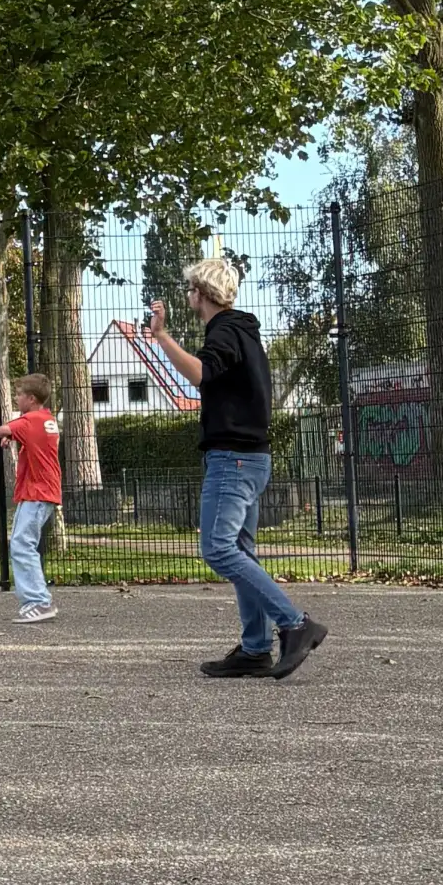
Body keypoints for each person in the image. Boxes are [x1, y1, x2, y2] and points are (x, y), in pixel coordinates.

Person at [149, 255, 329, 679]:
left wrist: (162, 337)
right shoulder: (243, 332)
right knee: (241, 551)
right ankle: (253, 648)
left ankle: (295, 623)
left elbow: (200, 374)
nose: (188, 295)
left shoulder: (226, 329)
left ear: (203, 293)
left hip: (232, 459)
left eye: (192, 288)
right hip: (251, 458)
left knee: (218, 548)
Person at [0, 374, 62, 623]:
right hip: (42, 492)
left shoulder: (31, 419)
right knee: (23, 543)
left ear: (31, 398)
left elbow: (6, 427)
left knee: (21, 544)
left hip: (37, 494)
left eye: (18, 395)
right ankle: (38, 600)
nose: (16, 399)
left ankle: (38, 601)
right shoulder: (46, 419)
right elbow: (22, 435)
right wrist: (10, 438)